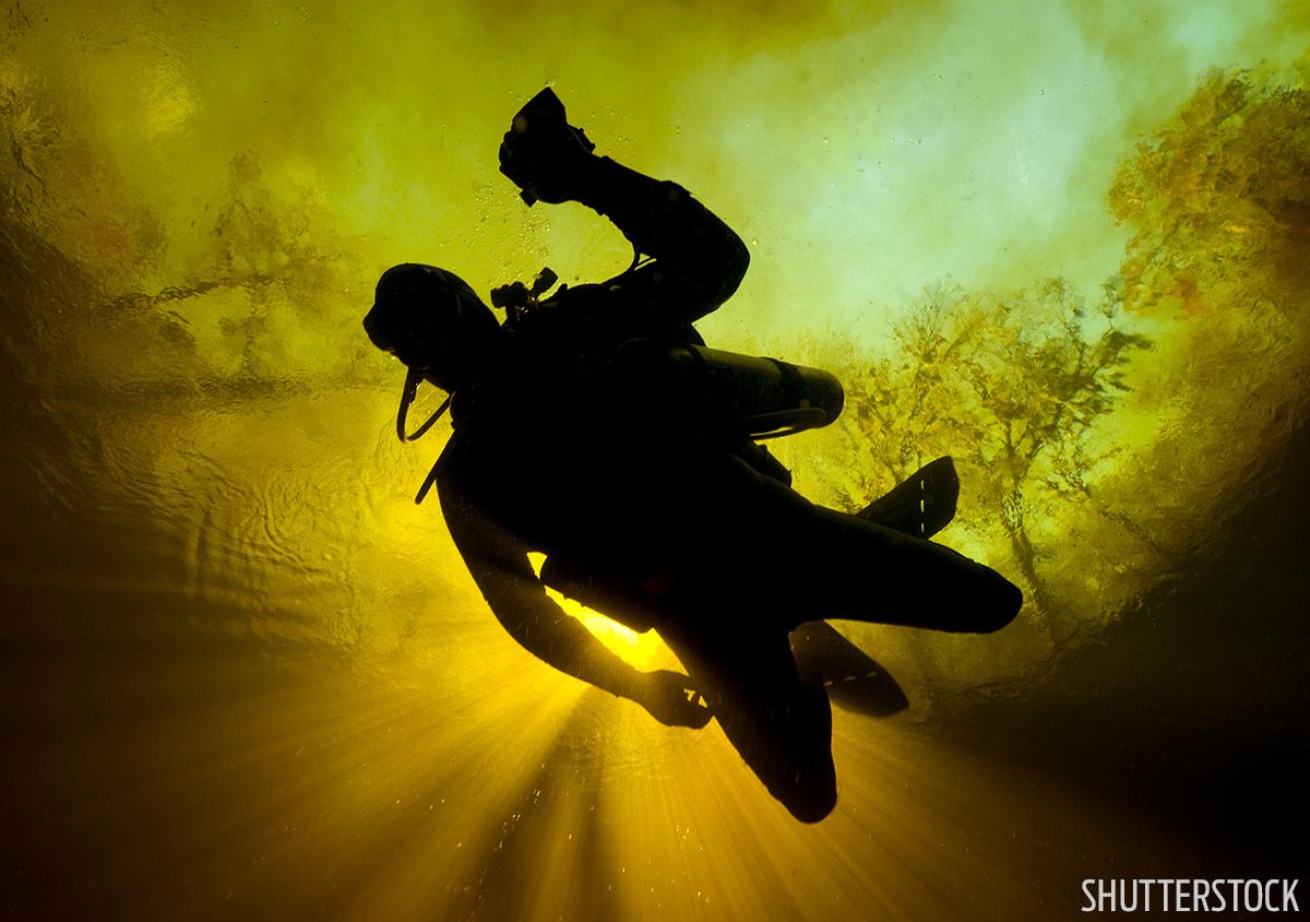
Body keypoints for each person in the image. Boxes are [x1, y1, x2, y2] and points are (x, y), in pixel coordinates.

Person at [363, 89, 1022, 821]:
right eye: (416, 335)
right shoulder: (470, 474)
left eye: (436, 318)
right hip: (712, 611)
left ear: (463, 307)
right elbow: (522, 613)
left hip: (764, 541)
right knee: (810, 797)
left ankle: (842, 573)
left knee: (994, 604)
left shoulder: (572, 332)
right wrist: (634, 684)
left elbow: (714, 262)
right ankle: (829, 597)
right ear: (411, 361)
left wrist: (585, 174)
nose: (441, 342)